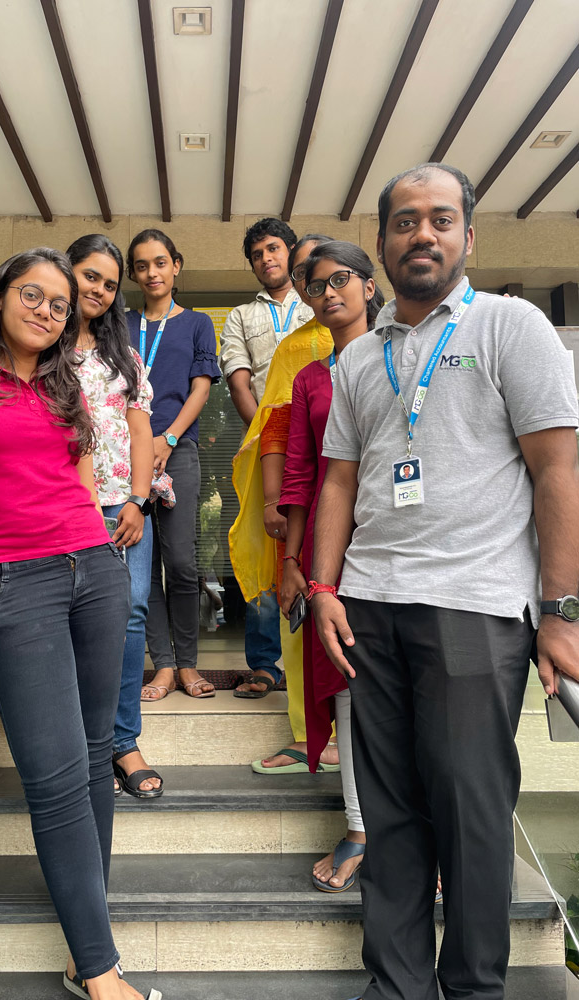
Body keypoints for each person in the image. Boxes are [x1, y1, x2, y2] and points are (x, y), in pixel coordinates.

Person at [310, 163, 579, 1000]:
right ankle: (396, 987)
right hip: (369, 607)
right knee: (388, 815)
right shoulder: (361, 358)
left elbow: (559, 469)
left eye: (439, 218)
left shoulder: (510, 326)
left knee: (470, 810)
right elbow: (339, 482)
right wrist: (323, 588)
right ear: (382, 241)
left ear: (468, 234)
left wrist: (561, 612)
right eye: (404, 221)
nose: (421, 233)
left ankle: (471, 989)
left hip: (476, 605)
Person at [0, 248, 160, 1000]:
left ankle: (87, 955)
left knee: (96, 756)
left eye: (59, 303)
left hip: (93, 571)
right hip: (10, 584)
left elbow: (79, 479)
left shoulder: (63, 382)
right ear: (1, 296)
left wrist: (99, 551)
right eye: (32, 294)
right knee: (55, 774)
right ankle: (102, 973)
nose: (46, 310)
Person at [278, 241, 384, 891]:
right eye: (315, 287)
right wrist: (293, 561)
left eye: (340, 279)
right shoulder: (310, 379)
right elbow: (298, 475)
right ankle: (360, 828)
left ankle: (419, 832)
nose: (328, 294)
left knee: (408, 682)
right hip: (329, 544)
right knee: (345, 678)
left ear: (370, 285)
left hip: (400, 537)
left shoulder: (404, 356)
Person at [229, 234, 339, 775]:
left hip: (378, 504)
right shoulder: (295, 349)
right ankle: (308, 735)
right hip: (307, 499)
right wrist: (275, 501)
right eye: (306, 276)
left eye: (331, 275)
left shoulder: (390, 337)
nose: (321, 287)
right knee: (300, 609)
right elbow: (275, 429)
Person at [66, 234, 161, 801]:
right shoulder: (42, 349)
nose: (99, 290)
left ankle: (123, 741)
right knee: (73, 622)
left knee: (129, 615)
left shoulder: (123, 356)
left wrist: (138, 500)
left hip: (122, 505)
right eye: (89, 276)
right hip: (62, 507)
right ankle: (79, 742)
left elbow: (140, 430)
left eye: (109, 283)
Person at [221, 219, 314, 701]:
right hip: (265, 444)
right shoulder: (240, 315)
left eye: (273, 249)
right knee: (264, 546)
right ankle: (263, 664)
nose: (266, 259)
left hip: (321, 439)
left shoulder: (317, 300)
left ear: (291, 251)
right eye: (257, 254)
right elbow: (239, 382)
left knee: (314, 543)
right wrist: (268, 436)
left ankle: (314, 659)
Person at [125, 229, 221, 700]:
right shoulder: (119, 324)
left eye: (160, 262)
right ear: (133, 274)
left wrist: (167, 438)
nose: (152, 273)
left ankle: (187, 663)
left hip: (176, 448)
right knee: (143, 565)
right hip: (126, 451)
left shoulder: (198, 323)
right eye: (142, 265)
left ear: (176, 265)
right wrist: (144, 444)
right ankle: (162, 665)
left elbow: (200, 388)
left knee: (181, 561)